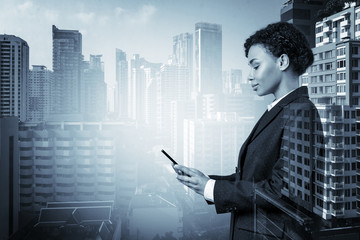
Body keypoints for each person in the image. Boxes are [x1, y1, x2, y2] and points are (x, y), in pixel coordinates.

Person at [174, 22, 322, 239]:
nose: (250, 76)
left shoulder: (300, 111)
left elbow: (284, 191)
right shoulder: (280, 111)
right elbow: (255, 177)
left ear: (282, 61)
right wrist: (207, 181)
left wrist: (212, 188)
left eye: (255, 66)